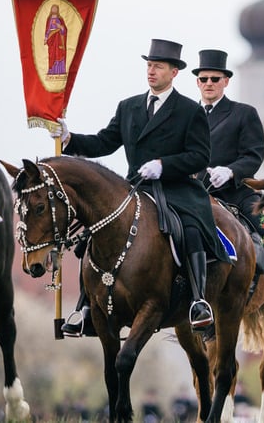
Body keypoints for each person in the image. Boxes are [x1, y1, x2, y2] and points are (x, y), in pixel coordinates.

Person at [52, 39, 228, 334]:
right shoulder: (129, 106)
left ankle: (198, 301)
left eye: (158, 66)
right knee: (89, 235)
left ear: (174, 72)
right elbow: (104, 142)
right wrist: (71, 139)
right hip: (135, 187)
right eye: (148, 65)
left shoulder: (189, 110)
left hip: (176, 188)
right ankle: (84, 307)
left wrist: (164, 165)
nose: (151, 71)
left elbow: (200, 156)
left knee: (192, 231)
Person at [191, 48, 264, 334]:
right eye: (203, 79)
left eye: (215, 78)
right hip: (198, 194)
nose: (209, 83)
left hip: (237, 192)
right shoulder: (187, 117)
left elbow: (254, 154)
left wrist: (232, 171)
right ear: (197, 83)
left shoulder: (242, 113)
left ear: (226, 81)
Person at [44, 3, 67, 75]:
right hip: (52, 40)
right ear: (51, 10)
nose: (54, 9)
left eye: (55, 8)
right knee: (52, 54)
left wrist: (60, 26)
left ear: (58, 10)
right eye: (53, 8)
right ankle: (52, 71)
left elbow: (64, 30)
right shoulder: (49, 19)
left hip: (59, 39)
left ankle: (59, 71)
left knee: (59, 54)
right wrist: (46, 38)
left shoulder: (60, 19)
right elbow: (47, 30)